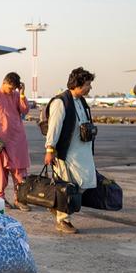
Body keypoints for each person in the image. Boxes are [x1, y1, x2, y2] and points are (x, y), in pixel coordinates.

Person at [44, 67, 98, 235]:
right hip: (68, 153)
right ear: (78, 84)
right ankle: (63, 219)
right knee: (67, 187)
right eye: (88, 84)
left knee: (86, 182)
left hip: (82, 152)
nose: (90, 87)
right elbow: (54, 127)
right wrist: (50, 149)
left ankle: (57, 207)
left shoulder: (80, 101)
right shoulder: (61, 102)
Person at [0, 72, 32, 211]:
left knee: (20, 173)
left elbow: (25, 110)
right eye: (10, 88)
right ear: (4, 83)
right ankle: (0, 198)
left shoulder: (16, 95)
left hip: (18, 140)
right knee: (1, 172)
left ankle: (20, 199)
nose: (11, 91)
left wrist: (22, 94)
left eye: (14, 89)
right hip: (1, 143)